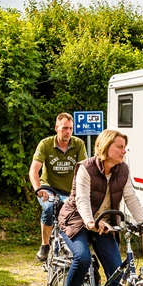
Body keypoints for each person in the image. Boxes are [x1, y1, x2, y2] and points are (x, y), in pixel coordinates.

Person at [55, 129, 143, 286]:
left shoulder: (122, 170)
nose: (124, 151)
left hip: (104, 224)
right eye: (120, 147)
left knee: (116, 271)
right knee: (81, 258)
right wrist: (90, 222)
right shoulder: (86, 168)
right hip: (77, 221)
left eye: (125, 147)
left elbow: (130, 198)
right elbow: (82, 199)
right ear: (106, 147)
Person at [29, 112, 87, 261]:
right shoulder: (46, 144)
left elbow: (83, 170)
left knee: (78, 214)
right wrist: (38, 188)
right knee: (48, 208)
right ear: (56, 128)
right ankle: (45, 245)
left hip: (70, 190)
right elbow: (34, 170)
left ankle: (73, 245)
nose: (68, 132)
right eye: (64, 128)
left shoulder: (78, 144)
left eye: (70, 129)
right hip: (49, 188)